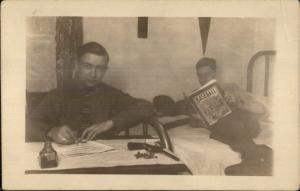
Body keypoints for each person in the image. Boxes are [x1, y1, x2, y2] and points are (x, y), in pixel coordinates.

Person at [26, 42, 153, 144]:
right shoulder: (59, 94)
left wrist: (110, 123)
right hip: (67, 157)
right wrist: (52, 131)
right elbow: (30, 124)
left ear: (105, 70)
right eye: (88, 66)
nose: (93, 74)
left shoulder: (111, 94)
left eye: (100, 68)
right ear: (77, 66)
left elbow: (146, 107)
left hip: (103, 157)